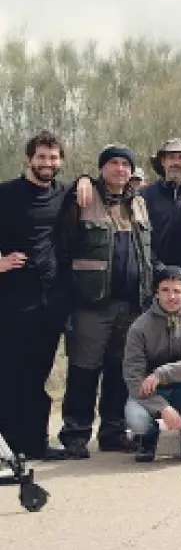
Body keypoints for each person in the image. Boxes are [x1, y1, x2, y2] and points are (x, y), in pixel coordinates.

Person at [56, 144, 155, 458]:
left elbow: (146, 252)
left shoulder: (138, 202)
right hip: (91, 304)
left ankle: (113, 432)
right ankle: (75, 435)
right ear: (102, 168)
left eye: (126, 164)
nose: (120, 169)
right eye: (113, 163)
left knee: (119, 371)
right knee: (84, 370)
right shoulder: (83, 198)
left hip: (132, 305)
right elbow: (63, 247)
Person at [0, 131, 73, 460]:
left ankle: (35, 443)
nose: (47, 163)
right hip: (12, 300)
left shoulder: (64, 193)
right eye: (41, 157)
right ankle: (7, 449)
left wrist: (85, 181)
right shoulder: (6, 194)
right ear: (29, 159)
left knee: (37, 375)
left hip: (51, 302)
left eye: (53, 157)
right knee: (9, 374)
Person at [123, 267, 181, 464]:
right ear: (156, 293)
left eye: (177, 291)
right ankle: (148, 439)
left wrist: (162, 373)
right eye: (165, 290)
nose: (171, 296)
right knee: (136, 418)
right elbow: (133, 376)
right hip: (151, 393)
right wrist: (162, 408)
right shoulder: (139, 327)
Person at [140, 138, 181, 267]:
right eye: (171, 157)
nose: (176, 162)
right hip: (153, 271)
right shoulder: (145, 195)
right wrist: (158, 268)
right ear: (163, 162)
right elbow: (140, 237)